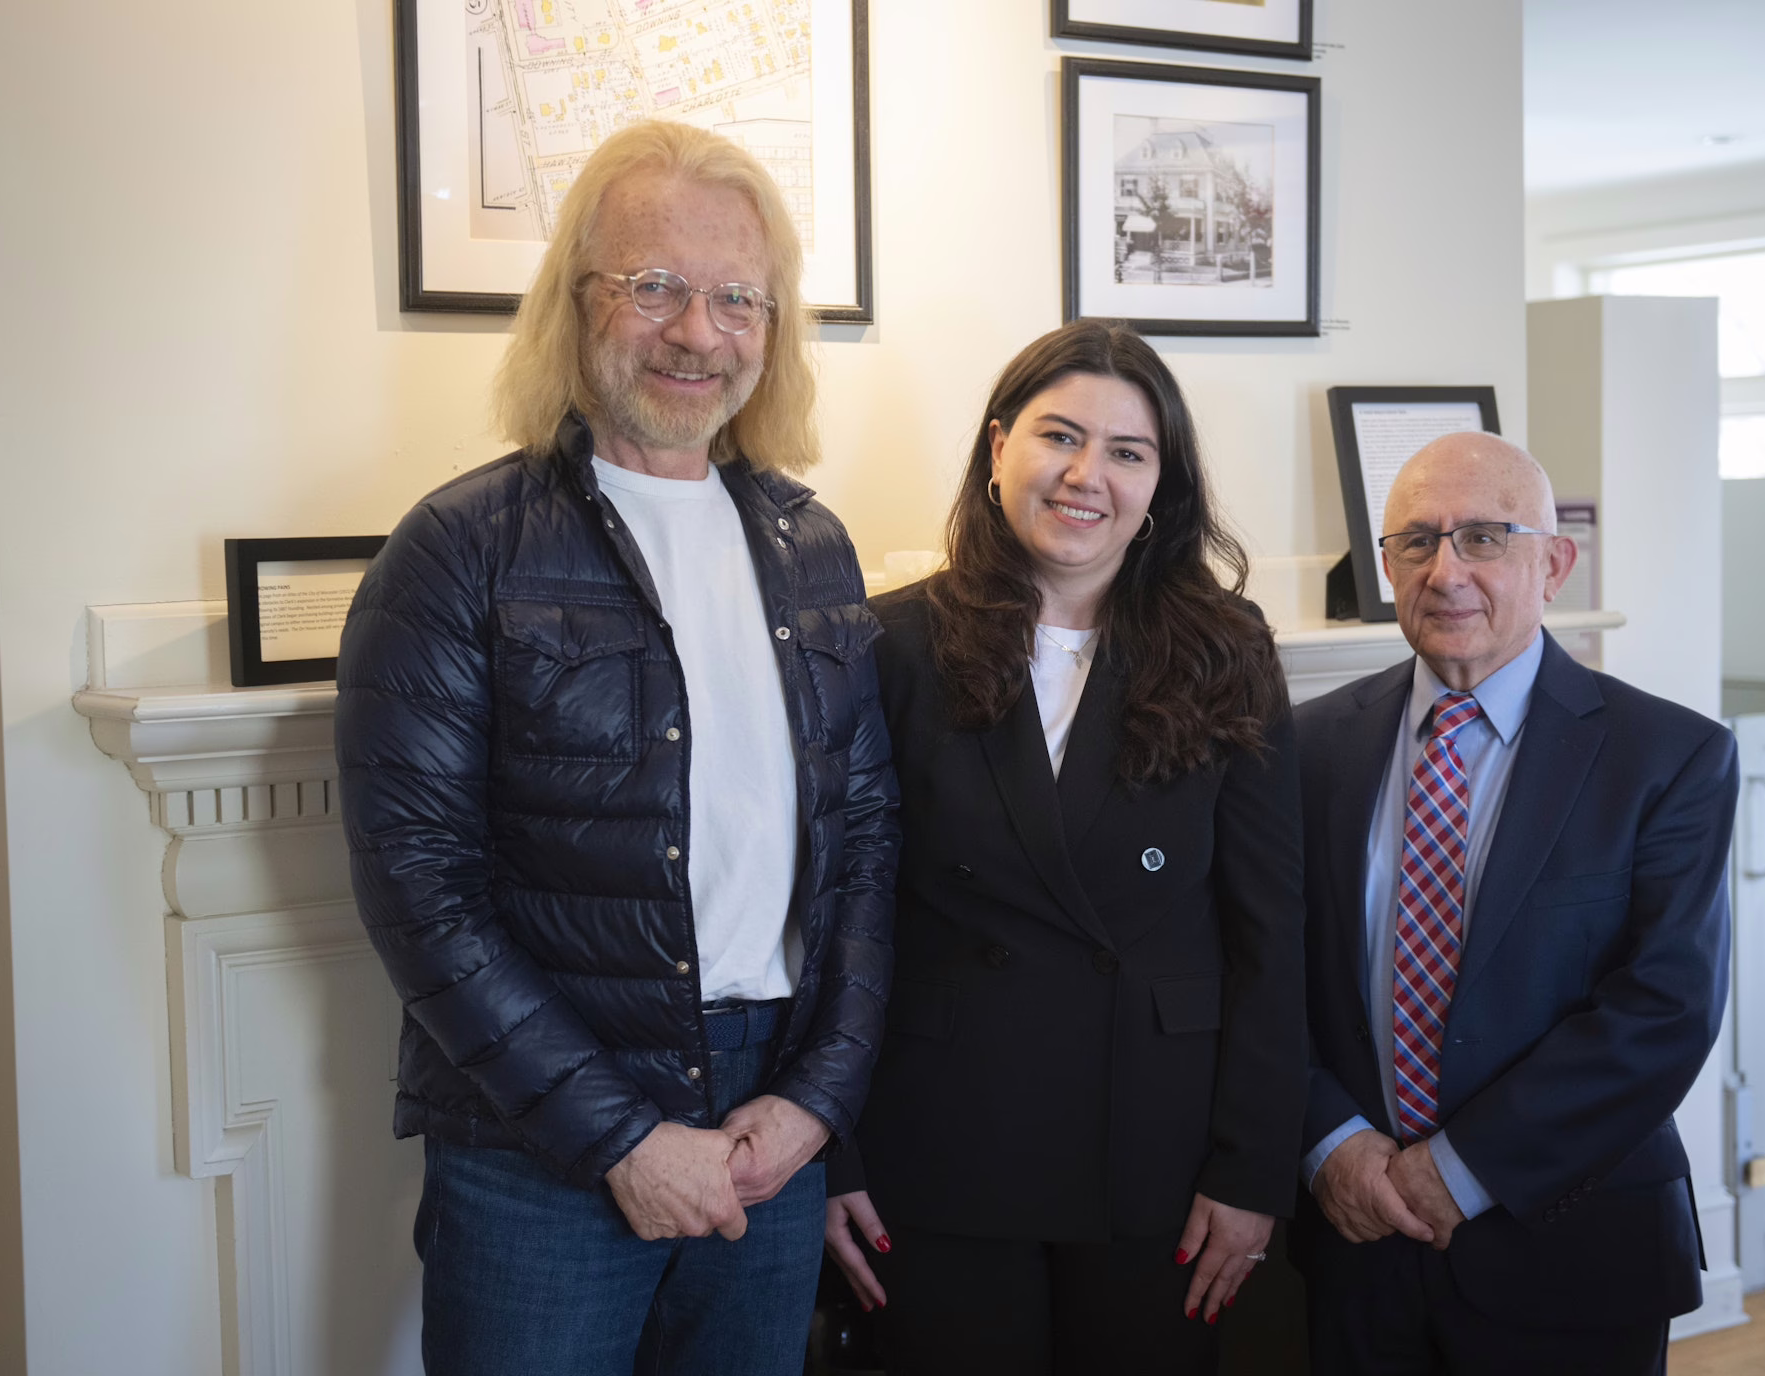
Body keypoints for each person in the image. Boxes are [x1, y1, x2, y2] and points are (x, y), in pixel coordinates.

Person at [333, 120, 899, 1376]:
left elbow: (864, 844)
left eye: (734, 296)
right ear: (574, 302)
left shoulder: (813, 547)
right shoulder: (456, 550)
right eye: (653, 286)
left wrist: (817, 1102)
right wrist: (621, 1138)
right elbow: (417, 883)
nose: (698, 331)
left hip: (771, 1122)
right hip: (541, 1143)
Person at [823, 320, 1307, 1374]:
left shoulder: (1229, 649)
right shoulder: (888, 644)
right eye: (1060, 436)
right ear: (999, 448)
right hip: (937, 1143)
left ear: (1161, 486)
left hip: (1161, 1155)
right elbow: (827, 915)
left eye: (1129, 452)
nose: (1089, 475)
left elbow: (1273, 939)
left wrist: (1254, 1169)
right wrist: (830, 1148)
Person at [1290, 432, 1737, 1374]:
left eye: (1485, 537)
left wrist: (1457, 1172)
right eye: (1415, 542)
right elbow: (1265, 975)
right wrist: (1330, 1144)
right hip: (1351, 1243)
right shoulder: (1305, 746)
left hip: (1570, 1252)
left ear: (1555, 563)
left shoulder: (1668, 758)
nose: (1446, 570)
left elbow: (1664, 1010)